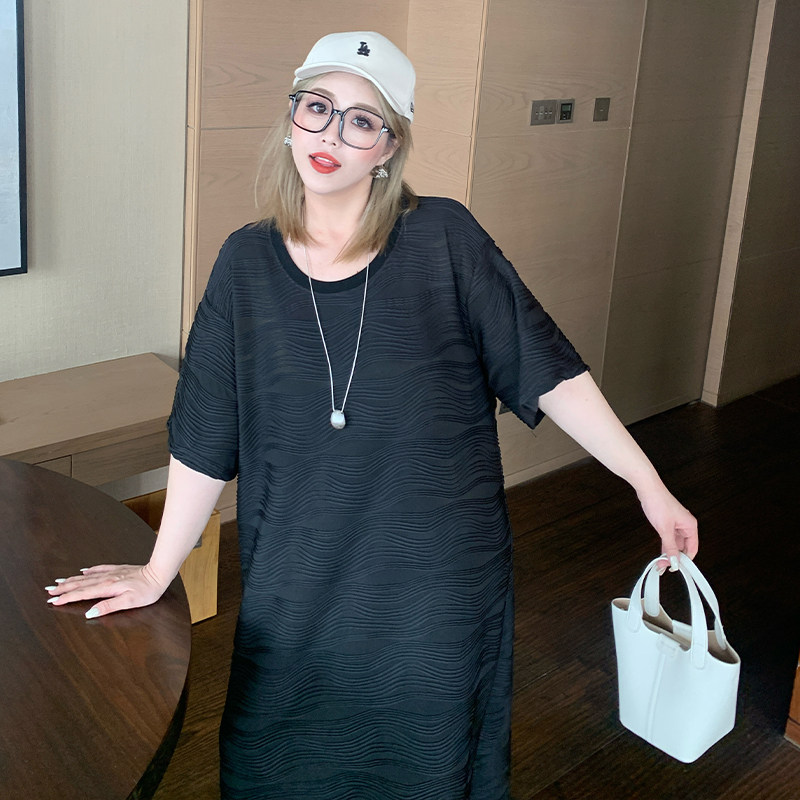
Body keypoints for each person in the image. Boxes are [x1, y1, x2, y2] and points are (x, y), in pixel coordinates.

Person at [47, 31, 698, 800]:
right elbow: (204, 436)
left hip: (434, 582)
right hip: (298, 574)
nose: (330, 134)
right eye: (316, 107)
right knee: (272, 760)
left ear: (388, 148)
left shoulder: (446, 239)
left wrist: (648, 483)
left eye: (361, 120)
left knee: (426, 764)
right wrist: (161, 569)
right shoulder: (244, 264)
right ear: (291, 118)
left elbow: (546, 368)